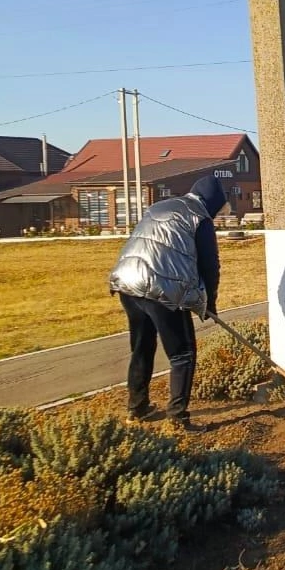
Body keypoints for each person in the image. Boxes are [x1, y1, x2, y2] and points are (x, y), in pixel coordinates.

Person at [109, 175, 226, 430]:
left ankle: (137, 409)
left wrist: (201, 302)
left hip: (127, 282)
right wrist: (211, 302)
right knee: (183, 353)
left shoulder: (159, 206)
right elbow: (209, 266)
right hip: (161, 289)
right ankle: (178, 419)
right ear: (212, 202)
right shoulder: (200, 217)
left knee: (142, 346)